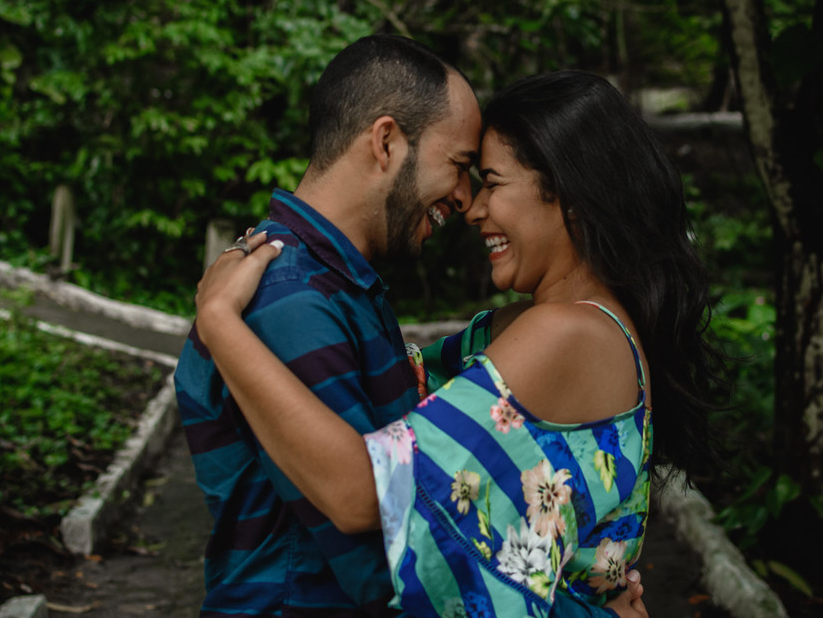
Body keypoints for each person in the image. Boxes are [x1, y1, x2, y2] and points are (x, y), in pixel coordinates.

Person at [193, 71, 727, 616]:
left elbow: (364, 493)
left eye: (492, 182)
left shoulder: (570, 334)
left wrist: (219, 321)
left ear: (570, 195)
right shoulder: (544, 325)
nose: (472, 206)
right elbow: (399, 383)